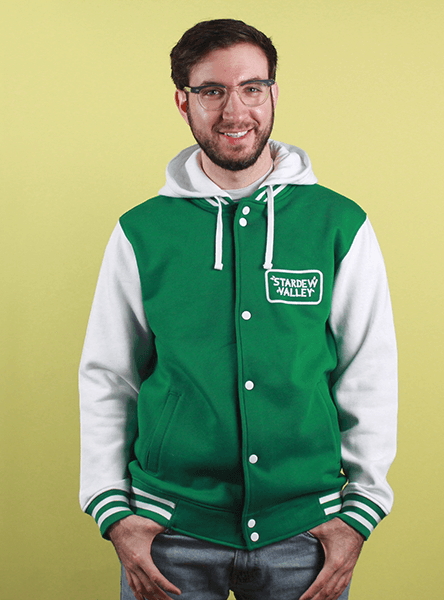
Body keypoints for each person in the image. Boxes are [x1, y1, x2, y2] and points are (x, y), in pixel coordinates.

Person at [79, 18, 398, 600]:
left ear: (273, 94)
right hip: (168, 529)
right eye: (212, 91)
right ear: (183, 101)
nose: (235, 111)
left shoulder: (338, 223)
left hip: (305, 531)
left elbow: (368, 371)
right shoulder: (141, 232)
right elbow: (109, 376)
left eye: (252, 88)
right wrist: (112, 510)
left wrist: (362, 510)